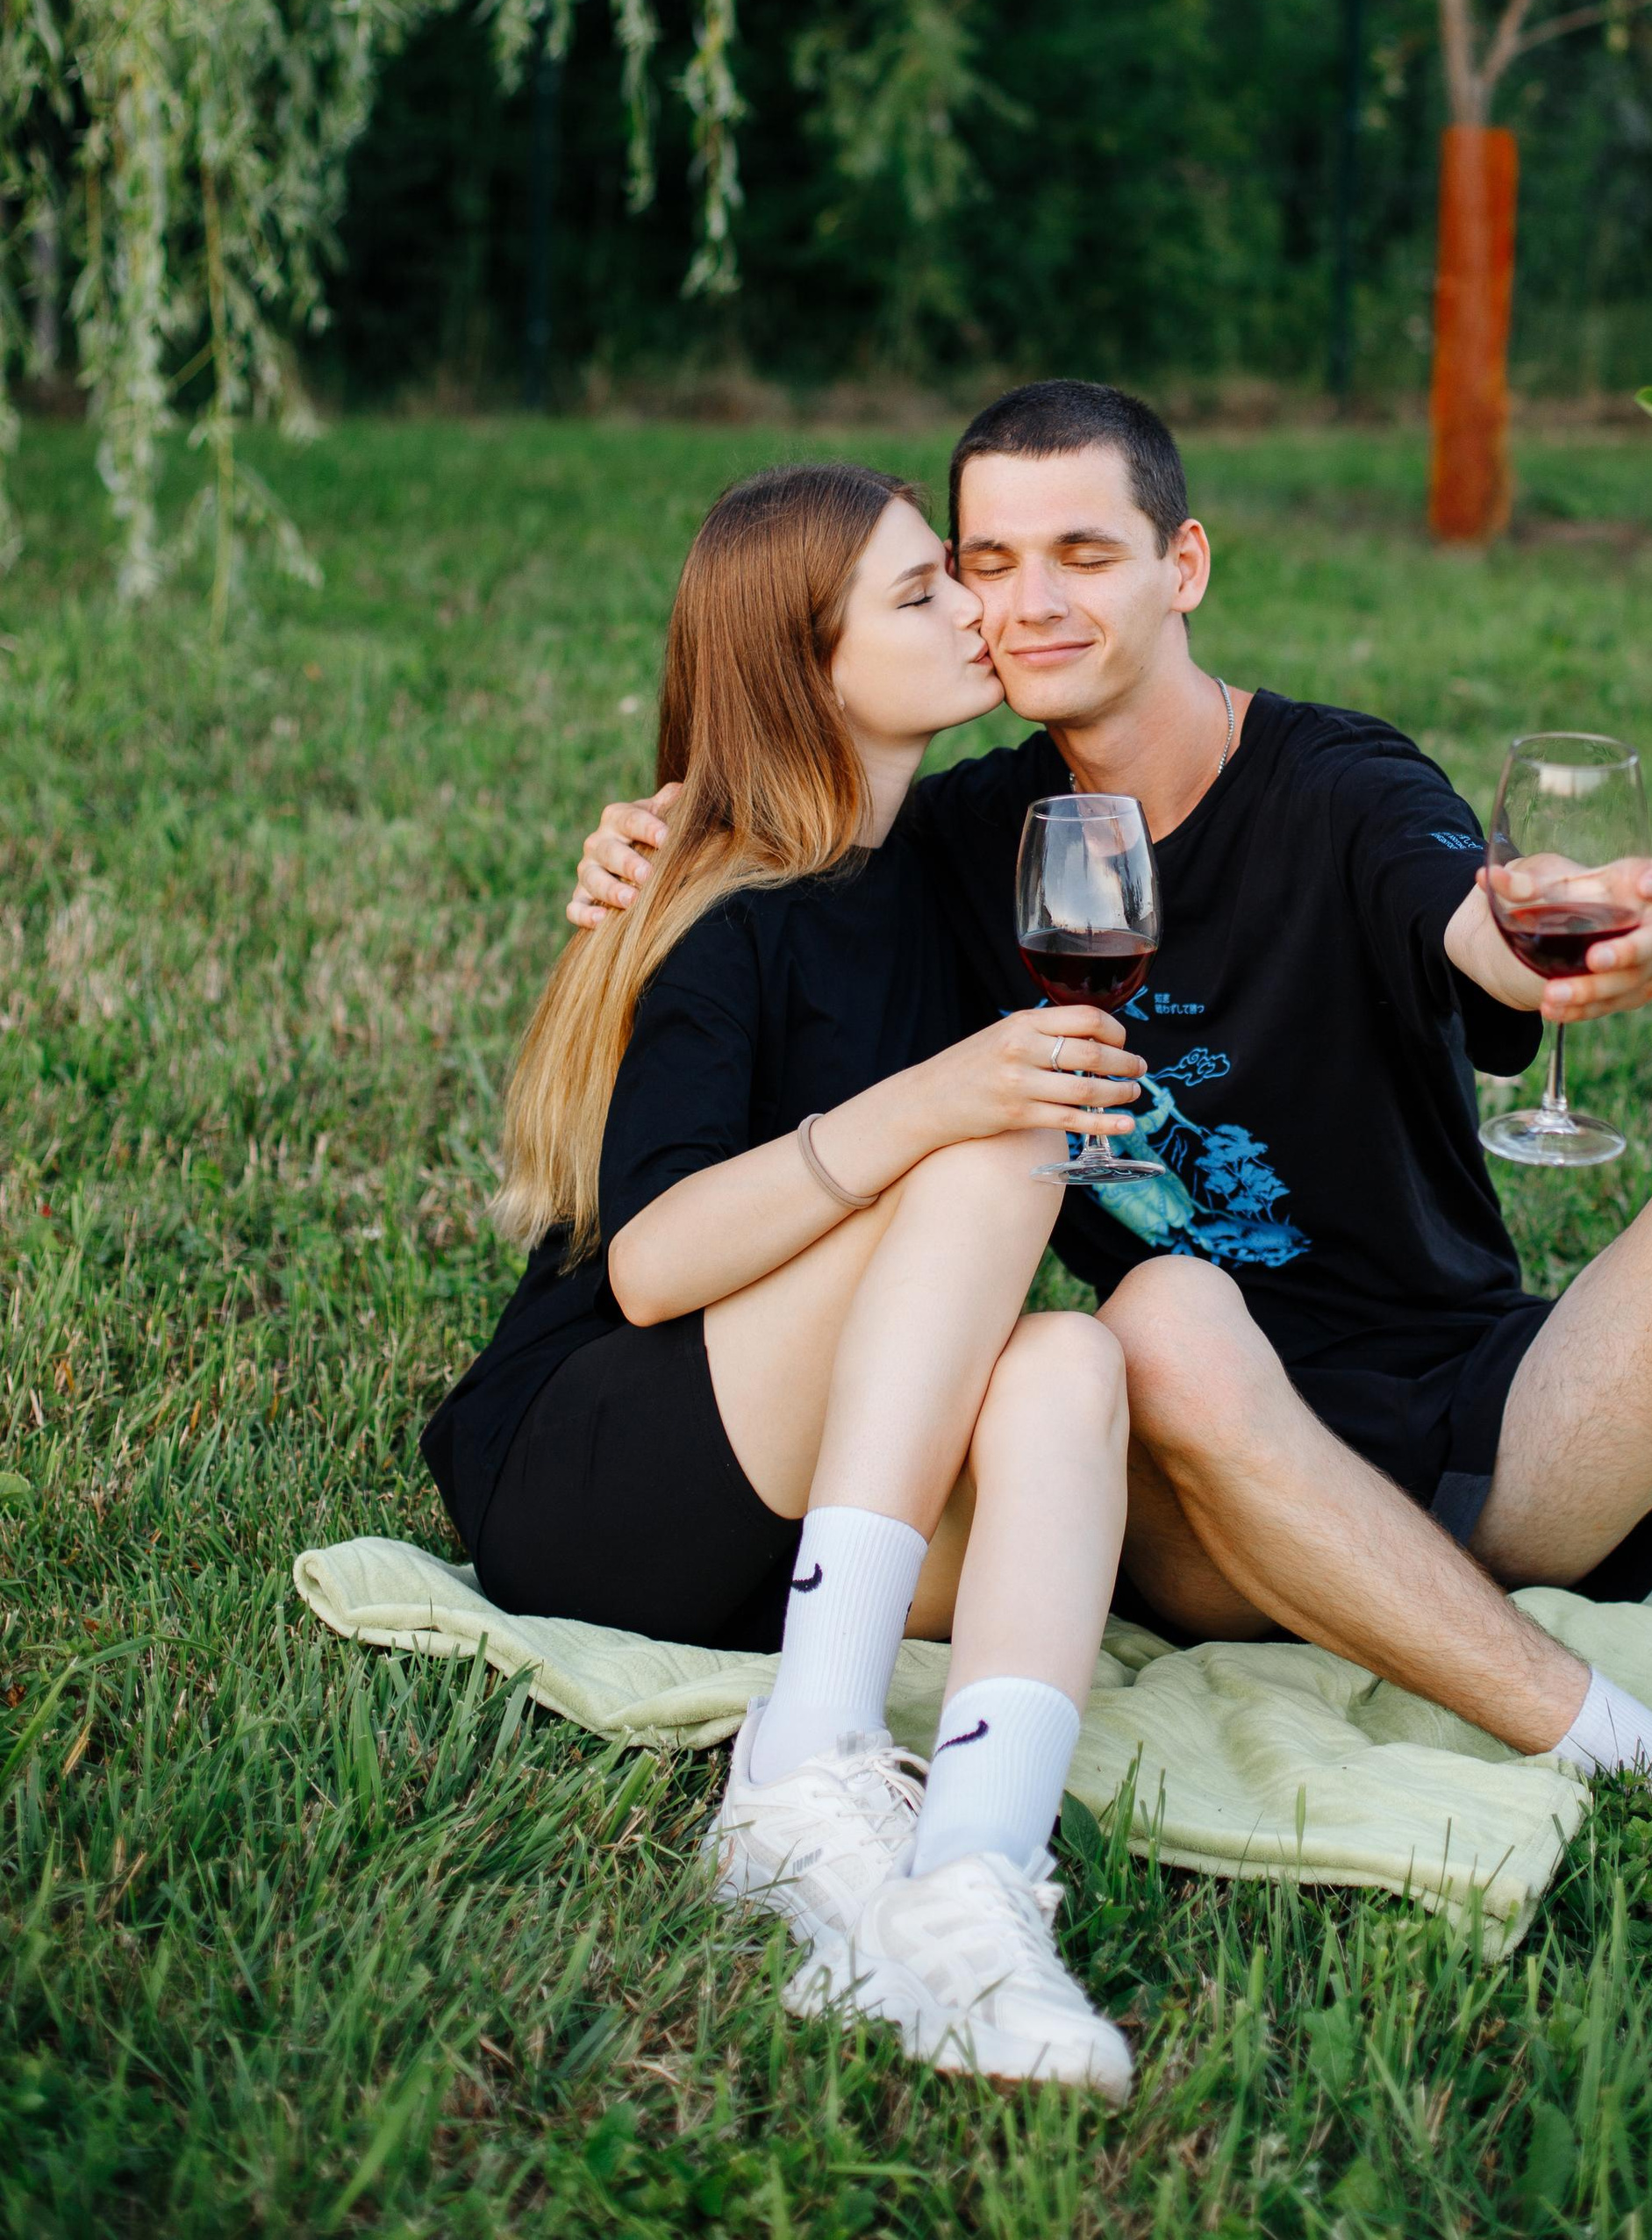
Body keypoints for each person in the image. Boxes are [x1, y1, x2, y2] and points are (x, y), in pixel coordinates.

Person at [571, 385, 1652, 1988]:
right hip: (1208, 1504)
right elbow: (790, 806)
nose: (1031, 599)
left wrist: (1546, 938)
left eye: (1084, 553)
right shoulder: (964, 842)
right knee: (1167, 1313)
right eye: (988, 560)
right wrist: (649, 836)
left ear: (1182, 564)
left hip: (1490, 1429)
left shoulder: (1338, 784)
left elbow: (1460, 921)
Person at [425, 460, 1146, 2095]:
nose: (976, 606)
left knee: (1073, 1374)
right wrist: (931, 1107)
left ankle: (970, 1889)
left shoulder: (963, 865)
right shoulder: (727, 908)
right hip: (596, 1467)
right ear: (806, 669)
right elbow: (657, 1263)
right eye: (922, 593)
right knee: (993, 1132)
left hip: (790, 1515)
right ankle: (806, 1753)